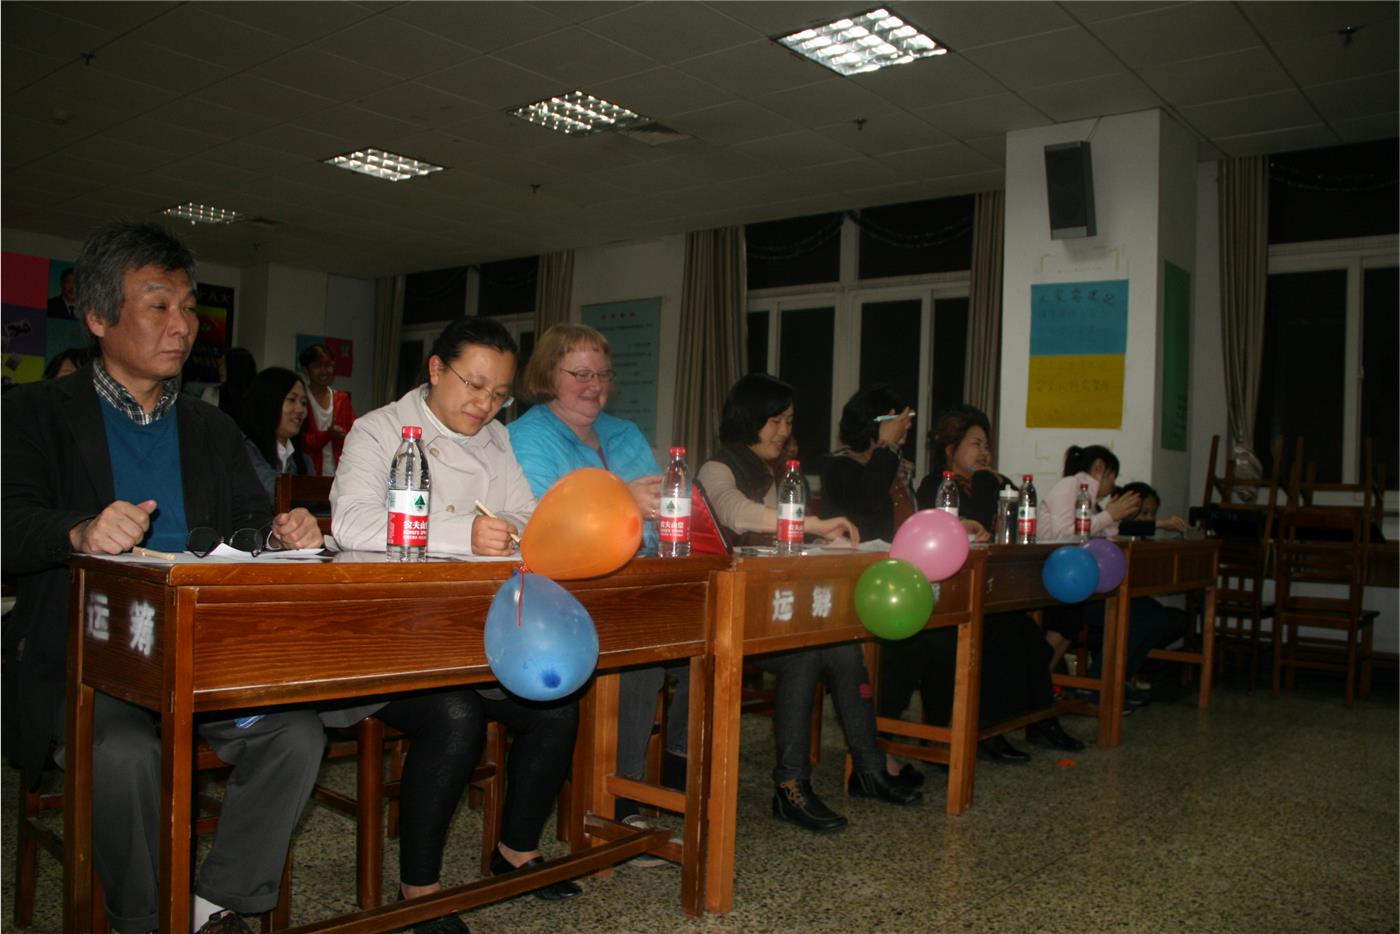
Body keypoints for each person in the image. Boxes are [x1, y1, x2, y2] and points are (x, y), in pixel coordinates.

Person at [1, 220, 326, 934]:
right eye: (158, 306)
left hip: (204, 662)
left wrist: (281, 535)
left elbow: (248, 525)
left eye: (187, 308)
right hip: (93, 664)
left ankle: (215, 904)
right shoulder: (32, 414)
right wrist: (77, 532)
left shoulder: (210, 429)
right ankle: (143, 919)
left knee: (295, 735)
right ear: (97, 317)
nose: (182, 325)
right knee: (123, 753)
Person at [330, 316, 582, 927]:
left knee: (556, 702)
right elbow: (351, 524)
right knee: (455, 714)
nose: (485, 405)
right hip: (391, 640)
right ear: (436, 369)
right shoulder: (379, 430)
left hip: (470, 634)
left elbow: (528, 515)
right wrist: (461, 533)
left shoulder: (496, 439)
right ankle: (420, 890)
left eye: (500, 394)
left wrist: (507, 529)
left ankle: (513, 849)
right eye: (474, 386)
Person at [697, 373, 921, 833]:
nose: (783, 431)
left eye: (789, 421)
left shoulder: (778, 474)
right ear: (749, 418)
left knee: (841, 644)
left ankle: (868, 767)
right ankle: (791, 785)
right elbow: (735, 513)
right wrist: (813, 524)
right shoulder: (716, 469)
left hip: (772, 607)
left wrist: (823, 543)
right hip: (727, 613)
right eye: (774, 421)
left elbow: (784, 548)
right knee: (803, 653)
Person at [506, 323, 680, 851]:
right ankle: (617, 802)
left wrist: (638, 514)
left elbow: (658, 522)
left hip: (633, 584)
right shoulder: (529, 436)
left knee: (712, 640)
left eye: (602, 374)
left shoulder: (624, 433)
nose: (594, 385)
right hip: (558, 592)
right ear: (547, 375)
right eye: (580, 373)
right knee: (640, 657)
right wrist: (621, 501)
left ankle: (679, 778)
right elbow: (544, 526)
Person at [905, 406, 1082, 762]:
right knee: (1002, 637)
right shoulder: (935, 485)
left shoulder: (993, 482)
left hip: (988, 590)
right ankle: (988, 729)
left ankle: (1039, 720)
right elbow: (977, 523)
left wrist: (1000, 484)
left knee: (1030, 637)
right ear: (951, 449)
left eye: (987, 445)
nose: (984, 452)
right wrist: (989, 483)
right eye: (975, 444)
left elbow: (1015, 522)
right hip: (949, 595)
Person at [1040, 446, 1169, 709]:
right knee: (1141, 615)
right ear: (1100, 467)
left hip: (1086, 585)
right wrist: (1110, 515)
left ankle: (1112, 683)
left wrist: (1112, 518)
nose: (1112, 486)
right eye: (1112, 477)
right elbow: (1065, 535)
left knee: (1153, 614)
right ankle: (1098, 686)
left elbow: (1102, 543)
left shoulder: (1091, 501)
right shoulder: (1069, 486)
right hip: (1059, 584)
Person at [239, 367, 315, 503]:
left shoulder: (305, 462)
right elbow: (271, 491)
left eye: (304, 403)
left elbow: (315, 501)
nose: (300, 410)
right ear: (268, 402)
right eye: (292, 400)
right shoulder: (245, 450)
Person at [301, 342, 355, 477]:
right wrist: (328, 435)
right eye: (317, 366)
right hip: (308, 475)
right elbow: (300, 443)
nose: (324, 371)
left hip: (338, 475)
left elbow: (354, 436)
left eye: (328, 366)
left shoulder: (342, 399)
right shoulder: (301, 401)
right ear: (306, 370)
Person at [201, 347, 257, 427]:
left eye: (224, 365)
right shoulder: (212, 394)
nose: (220, 369)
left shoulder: (254, 399)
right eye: (220, 365)